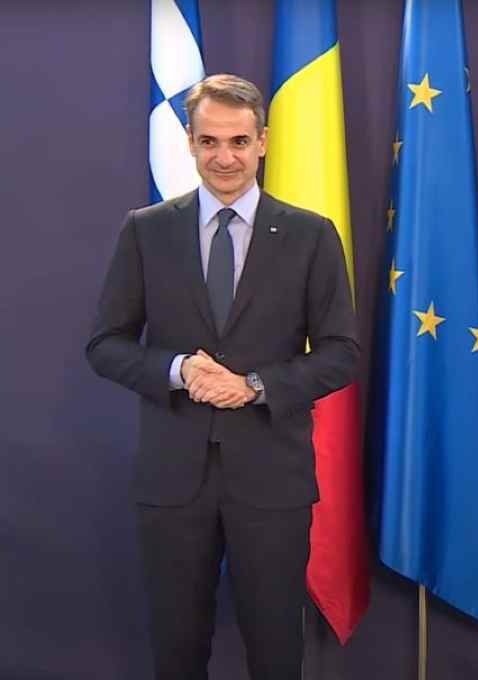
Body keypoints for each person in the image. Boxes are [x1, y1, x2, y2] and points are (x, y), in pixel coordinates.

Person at [86, 74, 359, 680]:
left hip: (271, 478)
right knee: (177, 651)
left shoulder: (311, 235)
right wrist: (178, 370)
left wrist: (254, 385)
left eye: (238, 141)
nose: (224, 157)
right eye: (209, 141)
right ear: (190, 142)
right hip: (172, 479)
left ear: (262, 142)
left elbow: (341, 353)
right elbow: (105, 344)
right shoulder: (147, 230)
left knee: (276, 652)